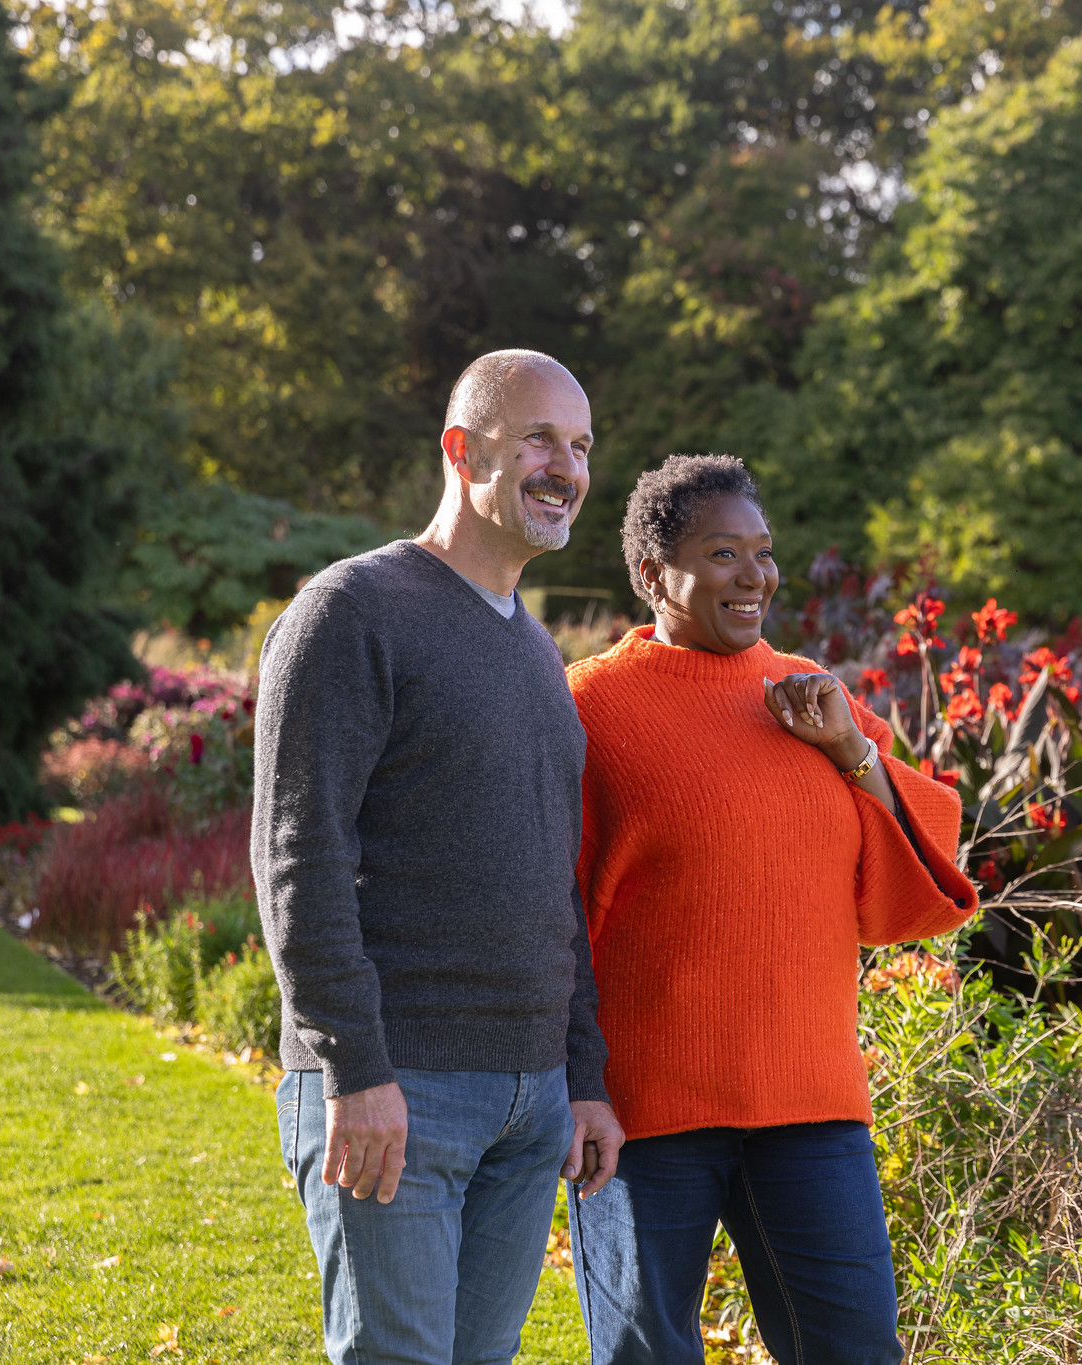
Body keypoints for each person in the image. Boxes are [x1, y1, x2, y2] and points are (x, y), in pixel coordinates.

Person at [252, 349, 626, 1365]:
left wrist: (579, 1074)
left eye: (582, 446)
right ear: (461, 451)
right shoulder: (353, 611)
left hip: (528, 1098)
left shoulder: (536, 653)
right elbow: (298, 854)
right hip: (399, 1085)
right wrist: (353, 1067)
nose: (567, 468)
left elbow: (557, 878)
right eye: (540, 438)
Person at [564, 454, 977, 1364]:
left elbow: (927, 866)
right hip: (643, 1113)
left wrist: (849, 752)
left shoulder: (812, 696)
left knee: (856, 1347)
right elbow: (553, 914)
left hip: (809, 1103)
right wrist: (579, 1085)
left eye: (763, 551)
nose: (754, 576)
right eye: (722, 553)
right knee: (646, 1354)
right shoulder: (588, 708)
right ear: (651, 575)